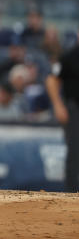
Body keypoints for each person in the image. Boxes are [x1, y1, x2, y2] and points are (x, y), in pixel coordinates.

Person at [46, 29, 79, 192]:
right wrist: (58, 105)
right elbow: (52, 79)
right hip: (75, 110)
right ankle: (73, 192)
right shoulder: (69, 57)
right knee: (75, 150)